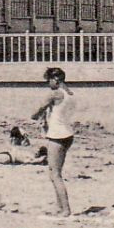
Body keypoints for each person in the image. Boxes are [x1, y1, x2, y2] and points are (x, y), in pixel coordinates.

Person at [32, 67, 75, 216]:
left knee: (55, 174)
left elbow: (40, 108)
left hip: (58, 135)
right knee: (56, 173)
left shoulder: (55, 93)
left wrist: (35, 116)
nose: (48, 83)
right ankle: (60, 207)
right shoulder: (69, 93)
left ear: (55, 79)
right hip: (67, 133)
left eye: (49, 80)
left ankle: (65, 209)